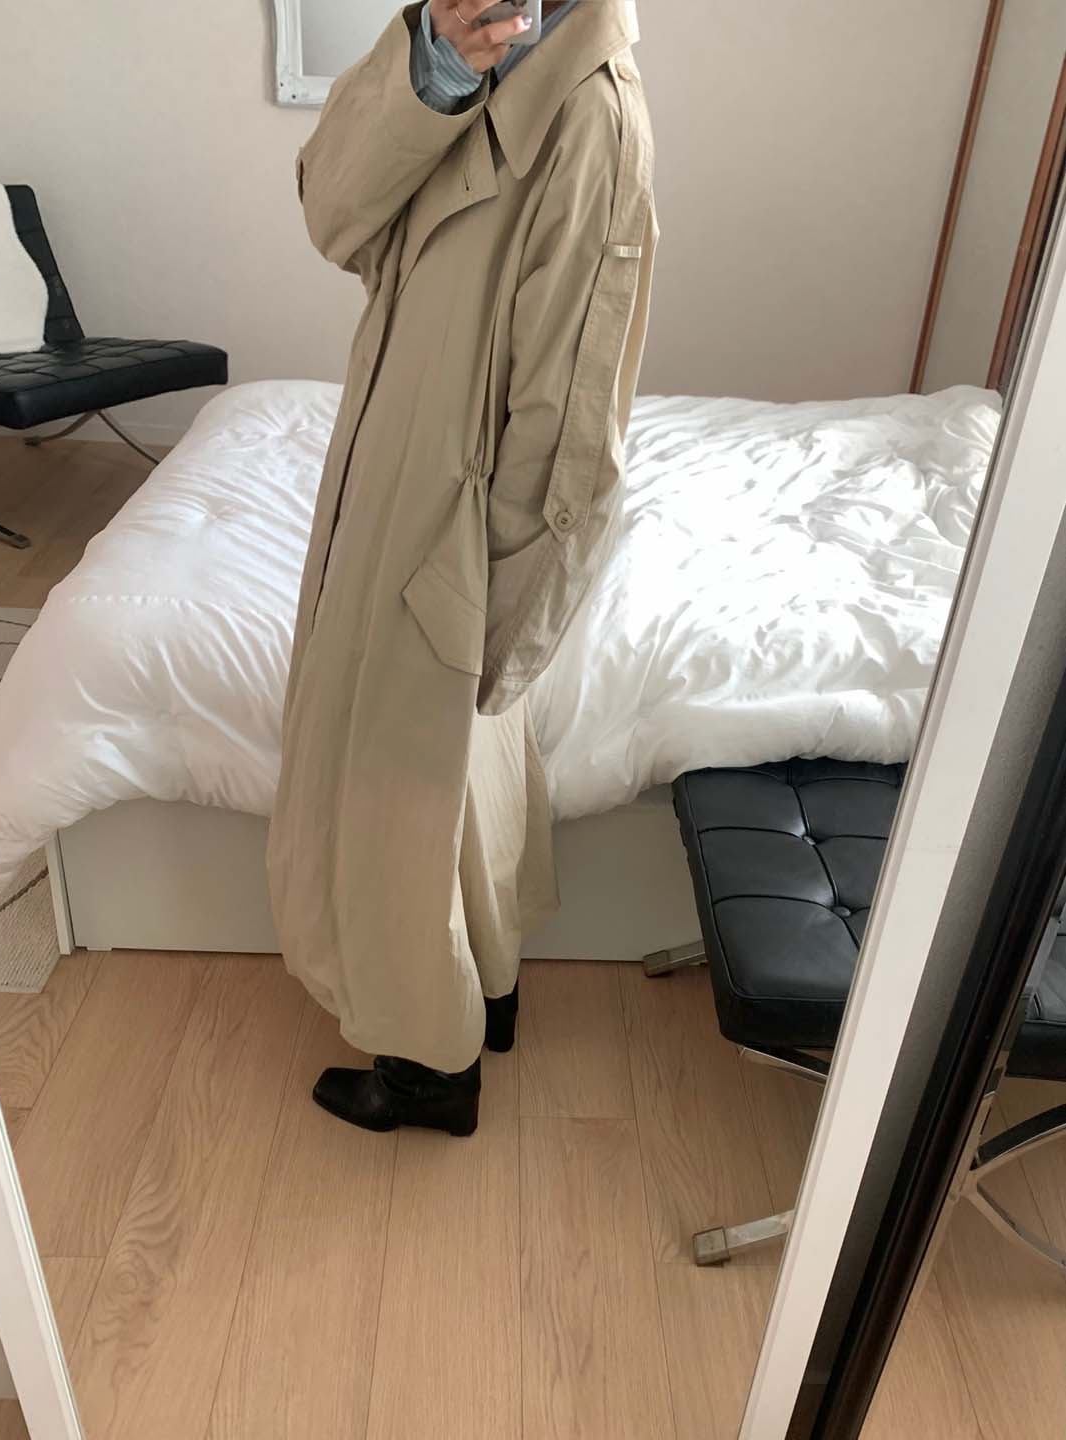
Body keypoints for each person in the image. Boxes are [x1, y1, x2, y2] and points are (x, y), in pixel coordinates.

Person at [266, 0, 658, 1136]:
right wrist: (433, 67)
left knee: (400, 788)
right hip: (397, 453)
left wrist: (505, 612)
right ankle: (485, 991)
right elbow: (333, 215)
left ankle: (426, 1067)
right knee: (448, 768)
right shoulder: (458, 49)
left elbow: (573, 422)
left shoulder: (592, 115)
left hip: (456, 510)